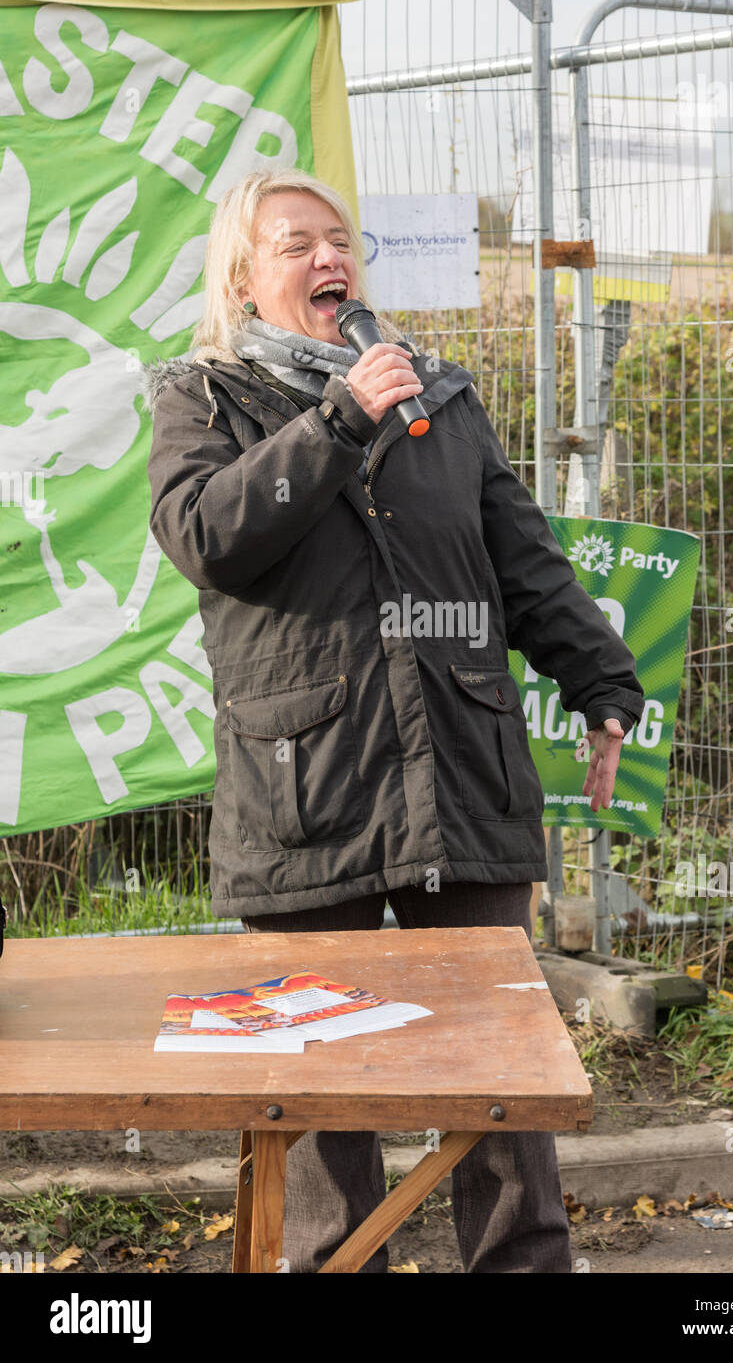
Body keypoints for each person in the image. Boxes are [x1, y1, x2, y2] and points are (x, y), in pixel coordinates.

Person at [144, 166, 645, 1274]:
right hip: (303, 783)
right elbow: (206, 536)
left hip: (461, 766)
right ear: (242, 274)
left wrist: (601, 681)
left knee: (499, 1073)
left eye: (341, 242)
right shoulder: (204, 397)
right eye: (296, 244)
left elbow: (525, 566)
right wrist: (337, 416)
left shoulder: (442, 396)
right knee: (320, 1084)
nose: (330, 260)